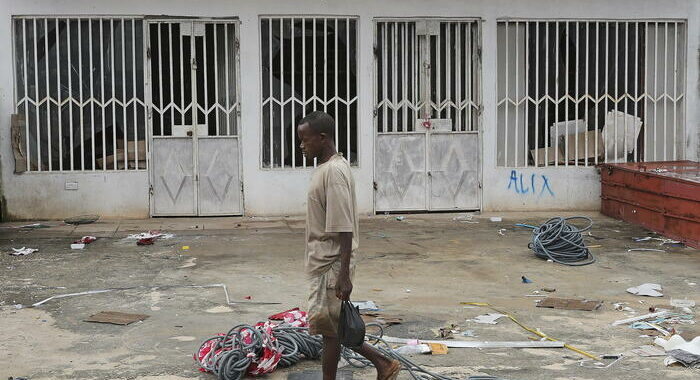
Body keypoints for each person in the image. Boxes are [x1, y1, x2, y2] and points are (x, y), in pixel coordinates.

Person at [297, 111, 401, 380]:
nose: (301, 146)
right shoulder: (327, 168)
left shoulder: (333, 172)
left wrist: (343, 274)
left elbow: (344, 227)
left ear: (322, 138)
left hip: (330, 263)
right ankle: (383, 363)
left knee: (330, 332)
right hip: (324, 262)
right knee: (334, 327)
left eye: (304, 139)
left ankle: (380, 364)